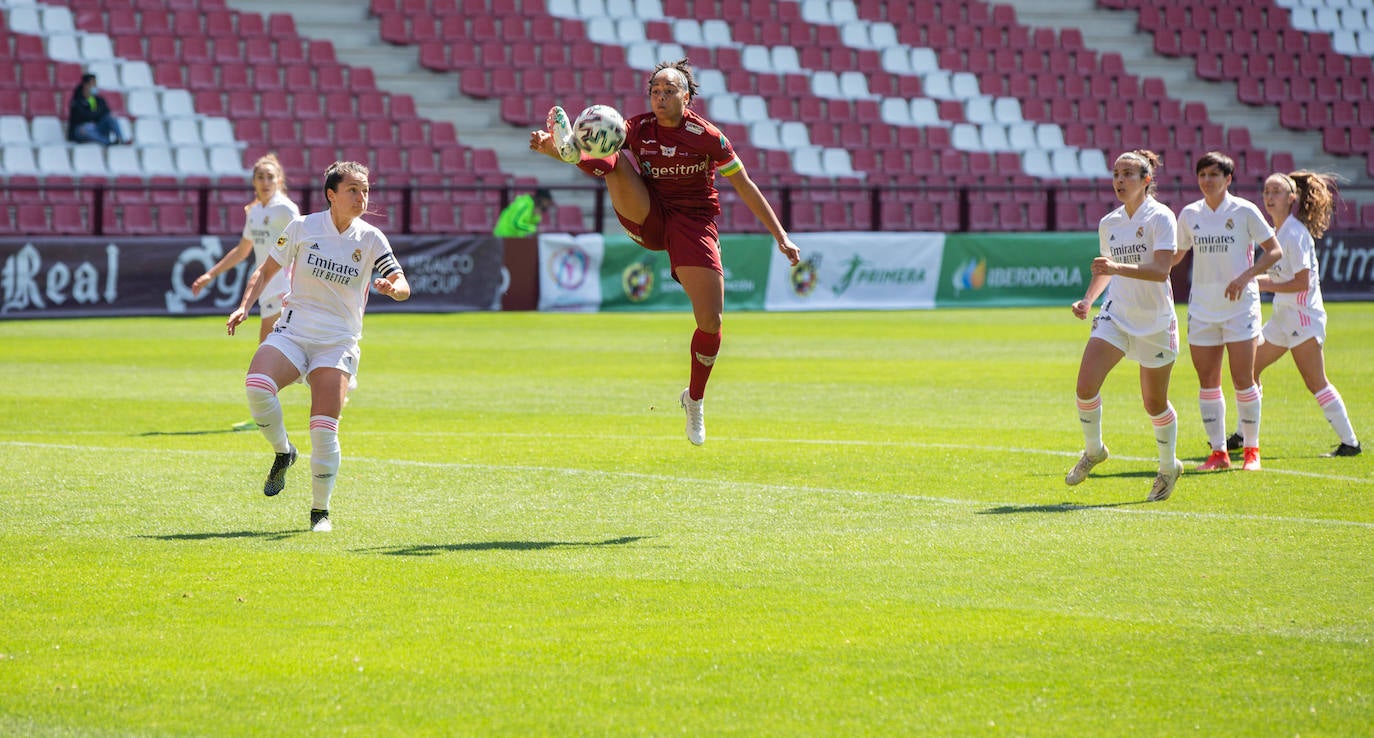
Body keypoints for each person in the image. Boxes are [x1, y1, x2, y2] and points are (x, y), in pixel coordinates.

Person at [528, 58, 801, 445]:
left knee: (711, 320)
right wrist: (554, 152)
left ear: (686, 96)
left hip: (694, 223)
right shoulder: (636, 128)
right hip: (649, 216)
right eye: (655, 91)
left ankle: (694, 399)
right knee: (616, 159)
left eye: (669, 90)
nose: (660, 97)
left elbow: (745, 185)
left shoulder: (708, 136)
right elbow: (604, 152)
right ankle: (570, 150)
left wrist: (781, 235)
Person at [227, 161, 410, 532]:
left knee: (323, 428)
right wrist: (244, 305)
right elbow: (265, 270)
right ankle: (283, 451)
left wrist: (394, 289)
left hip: (337, 342)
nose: (362, 197)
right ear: (331, 194)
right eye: (353, 190)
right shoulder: (303, 227)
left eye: (366, 190)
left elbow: (401, 280)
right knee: (257, 387)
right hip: (293, 332)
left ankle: (319, 512)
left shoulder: (371, 238)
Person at [1065, 150, 1183, 502]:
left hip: (1155, 321)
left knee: (1154, 403)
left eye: (1128, 174)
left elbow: (1161, 270)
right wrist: (1088, 300)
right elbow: (1105, 270)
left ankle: (1167, 468)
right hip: (1116, 315)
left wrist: (1116, 269)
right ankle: (1094, 450)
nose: (1120, 180)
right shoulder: (1109, 223)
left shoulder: (1161, 217)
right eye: (1116, 173)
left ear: (1146, 180)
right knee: (1085, 386)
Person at [1225, 170, 1360, 457]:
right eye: (1266, 192)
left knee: (1315, 382)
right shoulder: (1277, 232)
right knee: (1248, 370)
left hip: (1303, 317)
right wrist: (1249, 279)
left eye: (1276, 192)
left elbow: (1302, 283)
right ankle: (1242, 433)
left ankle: (1350, 443)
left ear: (1292, 198)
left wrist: (1254, 281)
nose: (1269, 197)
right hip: (1283, 318)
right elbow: (1276, 278)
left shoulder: (1294, 233)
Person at [1174, 151, 1283, 472]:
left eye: (1214, 175)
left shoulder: (1245, 211)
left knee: (1243, 380)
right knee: (1208, 382)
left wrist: (1246, 277)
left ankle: (1252, 450)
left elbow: (1274, 251)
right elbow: (1176, 256)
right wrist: (1138, 270)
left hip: (1240, 309)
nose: (1207, 180)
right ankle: (1218, 454)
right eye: (1202, 174)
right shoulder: (1189, 214)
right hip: (1203, 309)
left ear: (1228, 179)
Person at [193, 154, 300, 342]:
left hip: (284, 288)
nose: (265, 182)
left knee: (267, 353)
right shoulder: (254, 211)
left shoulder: (286, 209)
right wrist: (211, 274)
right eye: (260, 177)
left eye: (270, 177)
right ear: (253, 181)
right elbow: (242, 251)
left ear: (279, 180)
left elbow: (302, 245)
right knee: (274, 355)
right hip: (266, 287)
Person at [66, 73, 128, 146]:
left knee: (111, 117)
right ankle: (108, 142)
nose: (95, 86)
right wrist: (97, 113)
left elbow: (105, 112)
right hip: (82, 130)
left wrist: (96, 115)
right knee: (85, 129)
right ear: (85, 85)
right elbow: (83, 116)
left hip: (96, 127)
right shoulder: (76, 101)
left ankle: (121, 139)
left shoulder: (98, 99)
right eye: (93, 84)